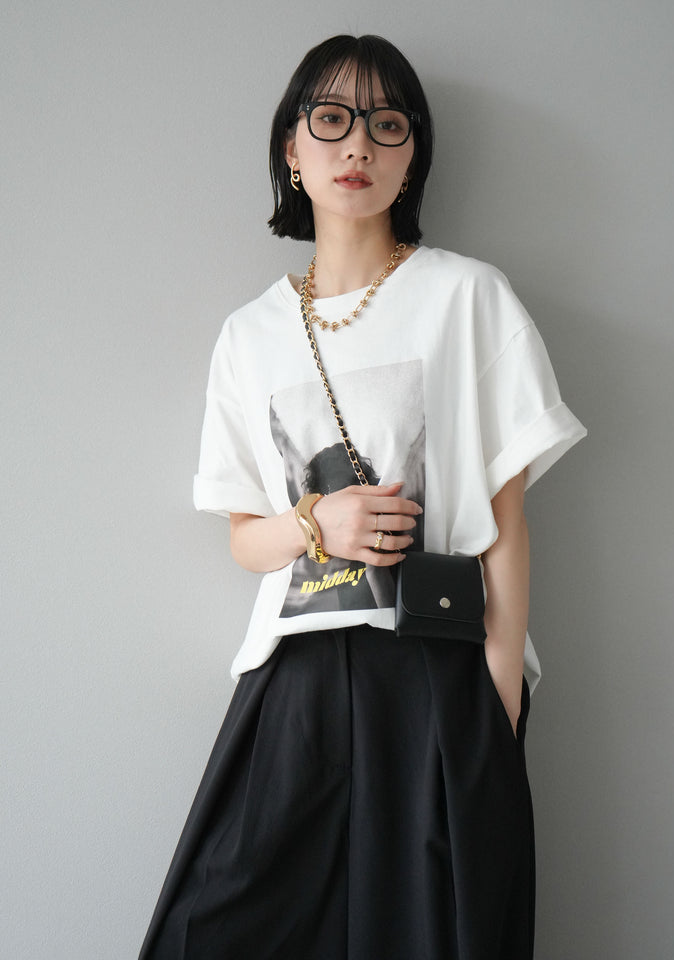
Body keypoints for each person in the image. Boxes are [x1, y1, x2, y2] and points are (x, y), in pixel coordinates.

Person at [139, 34, 586, 960]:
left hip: (439, 664)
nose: (358, 146)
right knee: (210, 927)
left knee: (436, 932)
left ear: (412, 153)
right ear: (291, 149)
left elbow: (507, 518)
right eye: (332, 119)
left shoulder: (468, 297)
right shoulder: (249, 335)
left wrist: (500, 694)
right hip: (295, 675)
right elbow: (245, 541)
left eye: (388, 125)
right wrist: (316, 521)